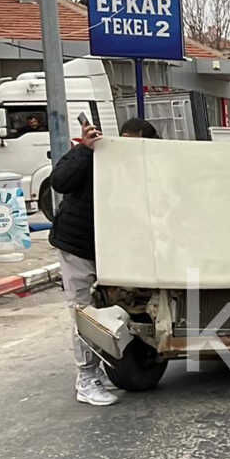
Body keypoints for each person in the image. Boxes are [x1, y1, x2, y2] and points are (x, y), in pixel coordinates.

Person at [50, 117, 158, 406]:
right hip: (79, 246)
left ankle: (105, 368)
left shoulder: (146, 167)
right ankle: (86, 379)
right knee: (84, 313)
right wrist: (84, 150)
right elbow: (59, 181)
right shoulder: (96, 155)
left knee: (115, 311)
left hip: (113, 249)